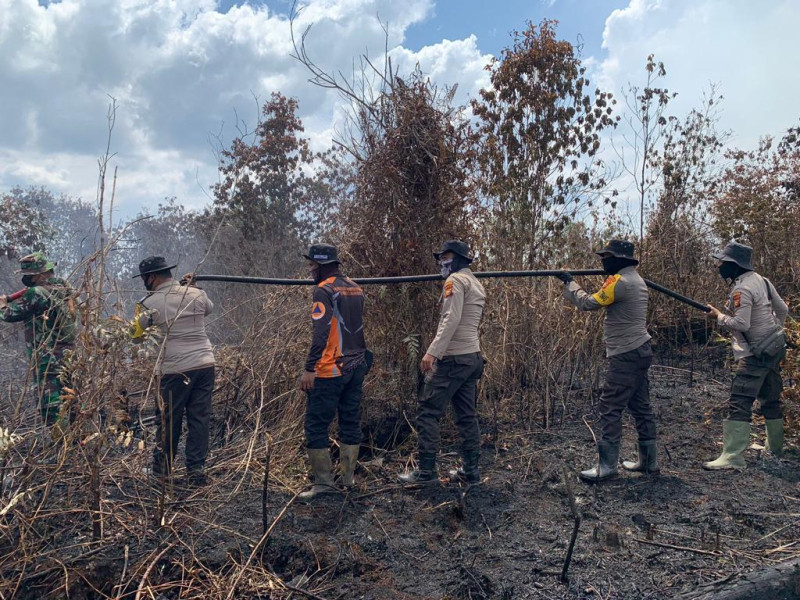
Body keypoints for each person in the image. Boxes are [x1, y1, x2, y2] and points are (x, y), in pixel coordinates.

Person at [558, 240, 658, 482]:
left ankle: (607, 466)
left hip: (625, 354)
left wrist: (570, 282)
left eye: (607, 257)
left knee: (610, 407)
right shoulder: (637, 280)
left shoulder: (620, 282)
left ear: (620, 260)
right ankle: (649, 462)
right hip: (640, 350)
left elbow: (587, 303)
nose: (603, 261)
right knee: (640, 406)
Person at [398, 240, 486, 485]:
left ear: (457, 258)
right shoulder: (476, 283)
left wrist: (432, 352)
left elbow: (451, 318)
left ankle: (426, 473)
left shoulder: (454, 281)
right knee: (467, 416)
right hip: (472, 358)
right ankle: (471, 472)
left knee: (427, 412)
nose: (440, 262)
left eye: (445, 257)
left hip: (453, 358)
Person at [703, 241, 789, 470]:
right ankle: (775, 449)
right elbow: (783, 310)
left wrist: (718, 316)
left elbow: (741, 323)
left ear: (733, 265)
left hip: (754, 355)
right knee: (771, 398)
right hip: (772, 350)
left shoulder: (741, 289)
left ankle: (732, 456)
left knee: (740, 400)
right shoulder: (763, 280)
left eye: (722, 262)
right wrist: (773, 333)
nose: (719, 266)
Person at [133, 256, 215, 487]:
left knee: (169, 419)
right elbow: (208, 309)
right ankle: (196, 469)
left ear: (152, 277)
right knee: (200, 417)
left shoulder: (149, 303)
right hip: (205, 364)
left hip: (174, 370)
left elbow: (136, 336)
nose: (143, 282)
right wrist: (192, 287)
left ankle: (162, 470)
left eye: (144, 278)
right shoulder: (197, 294)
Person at [298, 244, 368, 500]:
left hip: (330, 369)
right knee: (350, 421)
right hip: (356, 365)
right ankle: (348, 480)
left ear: (323, 265)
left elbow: (321, 333)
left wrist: (309, 368)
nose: (310, 270)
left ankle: (324, 484)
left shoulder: (323, 290)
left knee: (316, 425)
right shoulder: (355, 287)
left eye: (312, 265)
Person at [0, 252, 77, 427]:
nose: (28, 280)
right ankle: (77, 440)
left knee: (50, 404)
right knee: (71, 397)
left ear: (41, 274)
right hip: (68, 355)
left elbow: (10, 315)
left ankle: (61, 444)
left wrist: (3, 305)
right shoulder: (63, 289)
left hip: (47, 358)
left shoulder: (36, 293)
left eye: (30, 276)